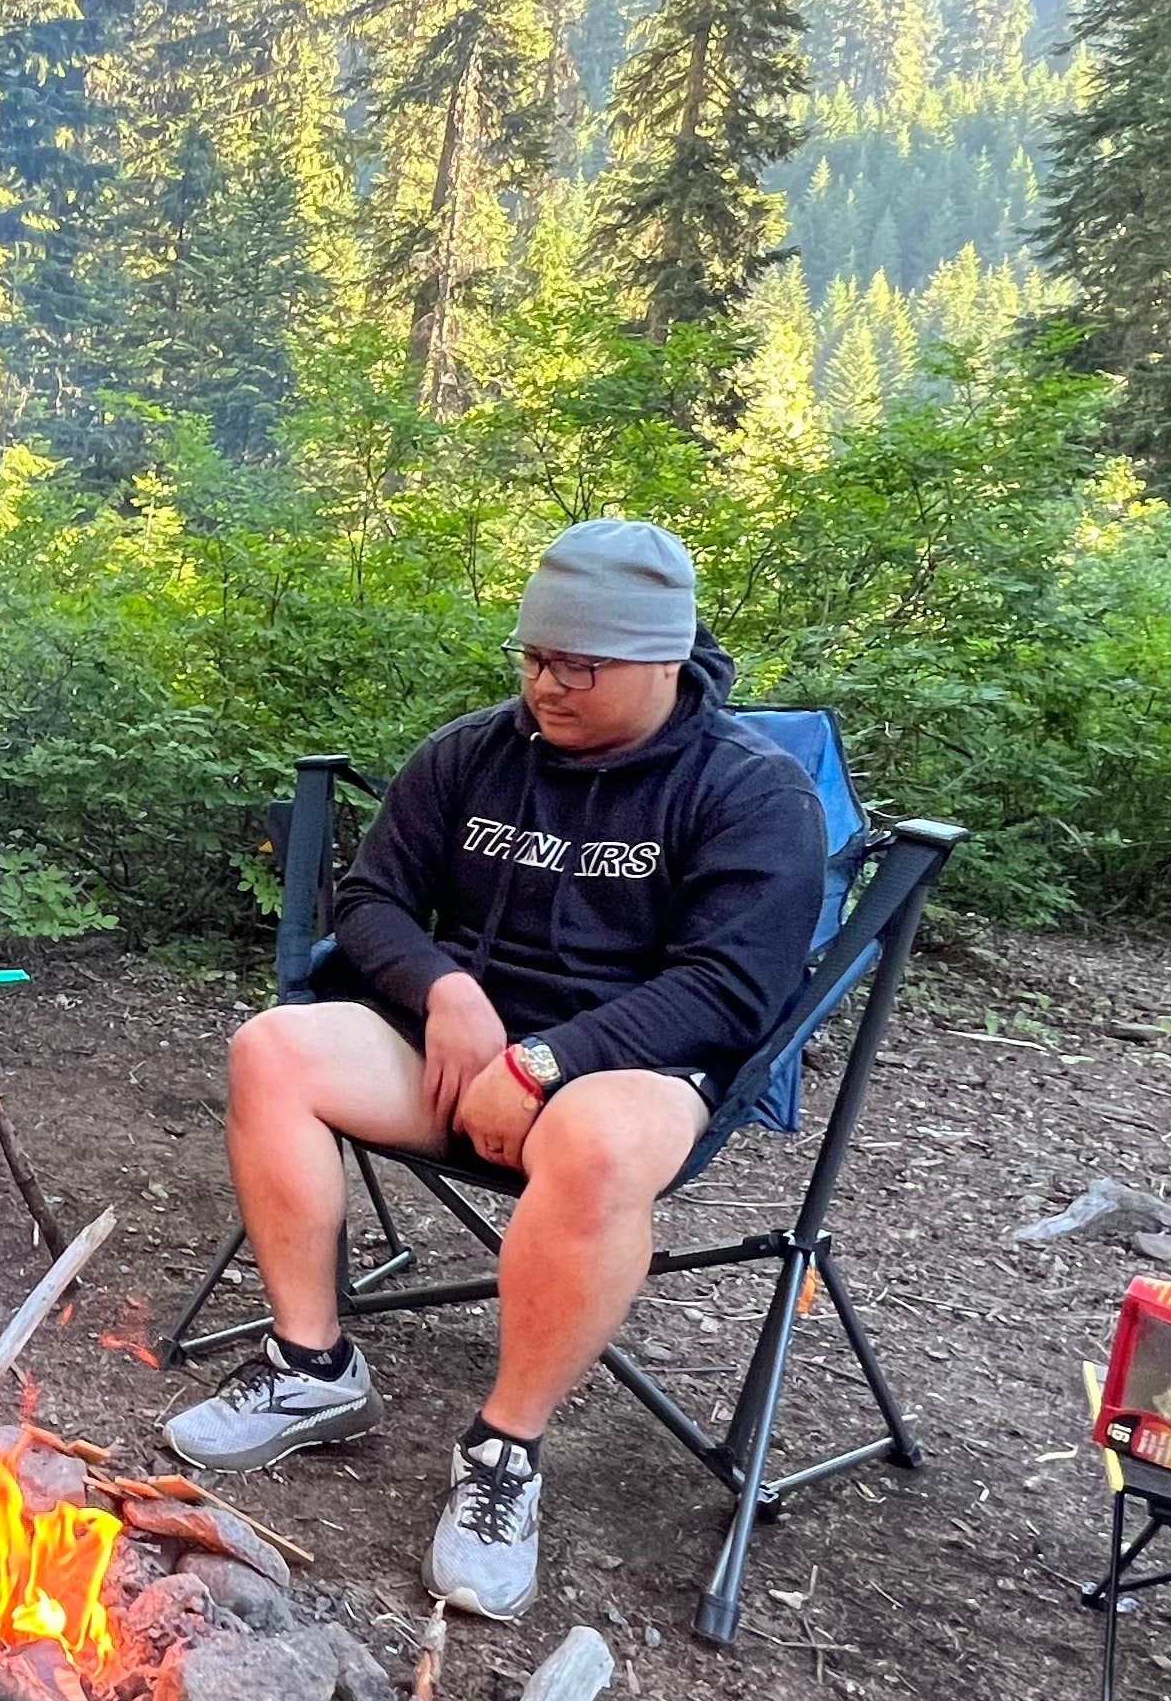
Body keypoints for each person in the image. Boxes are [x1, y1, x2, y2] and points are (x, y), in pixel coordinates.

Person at [163, 518, 825, 1622]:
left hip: (636, 1070)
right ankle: (311, 1368)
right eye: (533, 658)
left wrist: (553, 1060)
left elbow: (731, 990)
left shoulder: (749, 793)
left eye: (580, 665)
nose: (547, 686)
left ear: (663, 659)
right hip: (455, 1055)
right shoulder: (473, 752)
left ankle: (504, 1452)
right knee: (273, 1047)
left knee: (595, 1136)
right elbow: (369, 902)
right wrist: (446, 992)